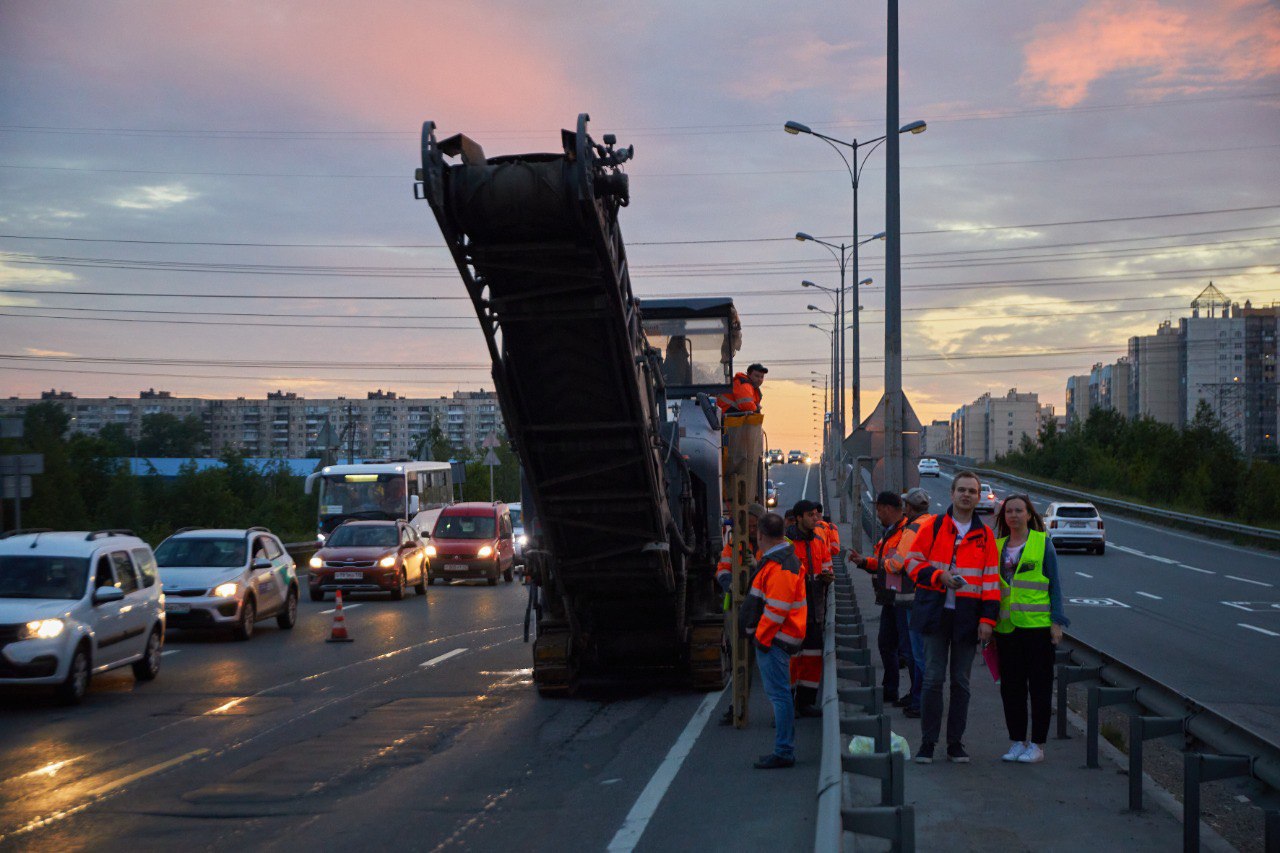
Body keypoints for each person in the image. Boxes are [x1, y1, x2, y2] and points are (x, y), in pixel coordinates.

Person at [902, 471, 1000, 764]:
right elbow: (910, 562)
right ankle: (928, 743)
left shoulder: (986, 537)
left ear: (978, 497)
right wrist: (939, 576)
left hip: (968, 619)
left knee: (961, 682)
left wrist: (987, 621)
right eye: (962, 490)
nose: (967, 495)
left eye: (972, 491)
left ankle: (955, 743)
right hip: (934, 614)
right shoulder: (933, 527)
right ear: (952, 494)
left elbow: (992, 583)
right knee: (932, 680)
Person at [993, 494, 1070, 764]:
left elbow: (1055, 586)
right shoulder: (998, 545)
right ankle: (1017, 742)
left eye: (1019, 511)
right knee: (1011, 688)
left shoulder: (1042, 543)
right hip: (1006, 629)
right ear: (1004, 516)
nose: (1013, 515)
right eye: (1009, 511)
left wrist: (1056, 622)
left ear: (1029, 514)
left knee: (1039, 687)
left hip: (1037, 629)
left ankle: (1037, 745)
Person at [739, 512, 807, 769]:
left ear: (760, 535)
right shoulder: (781, 559)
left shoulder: (780, 565)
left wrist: (760, 638)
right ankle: (783, 748)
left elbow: (776, 609)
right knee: (781, 695)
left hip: (776, 639)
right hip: (780, 636)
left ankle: (784, 751)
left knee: (780, 696)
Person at [850, 492, 914, 707]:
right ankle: (891, 690)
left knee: (907, 649)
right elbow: (881, 562)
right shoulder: (890, 532)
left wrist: (871, 563)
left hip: (904, 598)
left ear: (887, 508)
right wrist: (862, 562)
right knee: (887, 644)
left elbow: (894, 564)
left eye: (878, 509)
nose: (877, 513)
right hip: (889, 596)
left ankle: (915, 695)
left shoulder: (906, 531)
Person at [888, 487, 932, 718]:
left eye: (905, 505)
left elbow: (898, 563)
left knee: (916, 653)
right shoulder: (933, 523)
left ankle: (920, 701)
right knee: (923, 653)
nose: (903, 509)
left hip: (912, 596)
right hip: (930, 595)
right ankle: (917, 696)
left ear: (911, 508)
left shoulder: (914, 528)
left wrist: (885, 563)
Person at [786, 499, 833, 716]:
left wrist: (827, 576)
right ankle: (787, 704)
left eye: (816, 514)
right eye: (810, 515)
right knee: (792, 660)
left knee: (812, 658)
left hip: (814, 611)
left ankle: (805, 702)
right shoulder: (786, 545)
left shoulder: (818, 542)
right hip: (793, 613)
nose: (815, 518)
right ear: (798, 518)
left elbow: (826, 566)